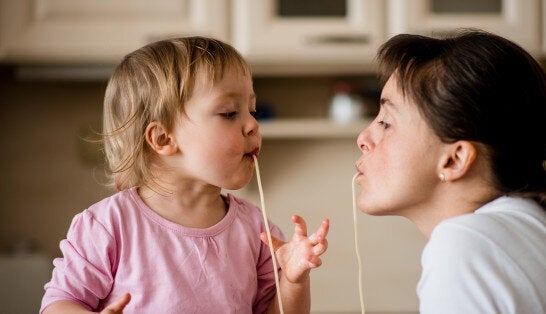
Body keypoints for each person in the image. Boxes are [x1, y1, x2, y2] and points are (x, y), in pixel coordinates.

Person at [40, 36, 329, 314]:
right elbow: (59, 303)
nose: (253, 123)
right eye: (230, 112)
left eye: (251, 110)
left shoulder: (258, 231)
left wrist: (293, 281)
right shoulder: (108, 225)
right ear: (164, 138)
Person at [354, 30, 546, 313]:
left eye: (386, 122)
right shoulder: (540, 229)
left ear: (455, 159)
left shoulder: (465, 247)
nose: (363, 138)